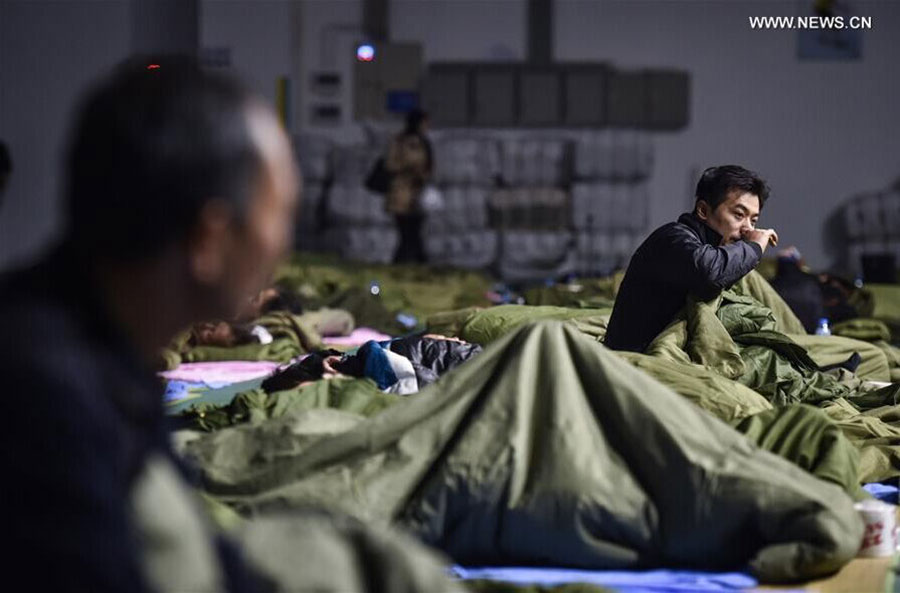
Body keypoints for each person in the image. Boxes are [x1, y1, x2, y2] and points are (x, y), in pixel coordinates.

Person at [0, 56, 298, 591]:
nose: (283, 249)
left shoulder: (106, 350)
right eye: (280, 216)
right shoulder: (42, 401)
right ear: (209, 240)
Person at [604, 165, 779, 353]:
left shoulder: (717, 251)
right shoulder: (673, 239)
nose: (748, 229)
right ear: (703, 210)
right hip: (637, 357)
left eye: (753, 220)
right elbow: (710, 272)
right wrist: (754, 247)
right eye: (739, 215)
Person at [385, 108, 432, 263]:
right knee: (407, 233)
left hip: (418, 194)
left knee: (415, 233)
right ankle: (415, 263)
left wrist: (423, 175)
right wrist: (409, 168)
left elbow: (429, 167)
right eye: (424, 123)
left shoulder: (425, 143)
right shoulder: (400, 141)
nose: (427, 126)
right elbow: (390, 164)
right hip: (401, 193)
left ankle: (414, 263)